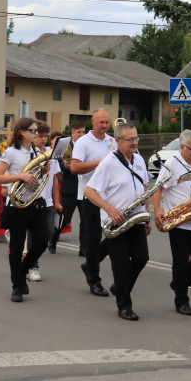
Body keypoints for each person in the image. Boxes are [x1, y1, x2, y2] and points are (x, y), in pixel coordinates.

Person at [84, 122, 151, 321]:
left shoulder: (139, 159)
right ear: (119, 141)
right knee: (120, 265)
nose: (134, 142)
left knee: (142, 258)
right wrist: (109, 209)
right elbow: (89, 191)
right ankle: (124, 305)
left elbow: (145, 186)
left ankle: (119, 287)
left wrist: (146, 215)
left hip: (136, 219)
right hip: (116, 223)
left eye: (136, 138)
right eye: (130, 139)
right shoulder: (108, 163)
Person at [0, 117, 55, 303]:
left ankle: (21, 272)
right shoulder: (11, 152)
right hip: (17, 206)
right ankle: (17, 286)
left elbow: (38, 175)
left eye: (36, 131)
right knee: (17, 247)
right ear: (22, 132)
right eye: (33, 131)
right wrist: (20, 176)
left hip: (37, 203)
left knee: (43, 240)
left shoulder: (36, 151)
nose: (36, 134)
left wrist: (44, 171)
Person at [154, 129, 191, 316]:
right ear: (182, 147)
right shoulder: (171, 165)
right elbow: (158, 189)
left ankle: (179, 283)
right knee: (180, 262)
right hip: (179, 221)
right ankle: (182, 300)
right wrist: (157, 211)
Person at [69, 109, 116, 297]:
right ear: (93, 121)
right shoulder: (83, 142)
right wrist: (101, 162)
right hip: (90, 196)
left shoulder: (112, 141)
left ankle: (89, 264)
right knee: (94, 238)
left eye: (107, 122)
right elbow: (74, 168)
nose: (104, 126)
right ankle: (94, 281)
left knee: (114, 235)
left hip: (110, 196)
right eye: (101, 122)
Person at [23, 122, 62, 284]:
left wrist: (56, 201)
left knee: (48, 232)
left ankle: (27, 262)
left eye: (45, 136)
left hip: (47, 201)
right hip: (32, 200)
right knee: (33, 235)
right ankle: (33, 267)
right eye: (40, 136)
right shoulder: (29, 155)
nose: (43, 139)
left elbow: (54, 180)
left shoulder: (52, 154)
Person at [50, 122, 85, 253]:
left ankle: (84, 248)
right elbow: (55, 159)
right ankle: (53, 239)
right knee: (64, 218)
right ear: (72, 133)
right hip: (70, 186)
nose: (82, 135)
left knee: (86, 221)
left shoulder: (87, 145)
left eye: (83, 132)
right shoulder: (65, 144)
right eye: (79, 132)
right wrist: (66, 167)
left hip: (85, 188)